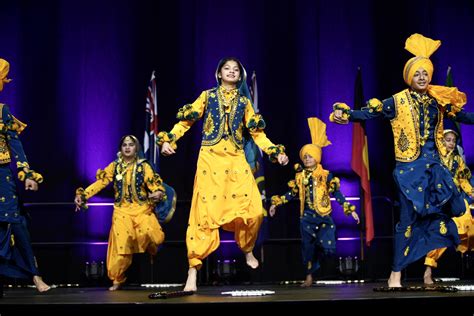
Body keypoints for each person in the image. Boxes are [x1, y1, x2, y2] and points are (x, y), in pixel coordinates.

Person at [330, 33, 474, 287]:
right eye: (417, 73)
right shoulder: (397, 101)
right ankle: (395, 273)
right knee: (407, 221)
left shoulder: (438, 100)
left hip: (435, 169)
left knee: (458, 209)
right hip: (409, 171)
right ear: (409, 76)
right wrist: (348, 114)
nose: (422, 77)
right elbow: (369, 112)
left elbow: (462, 117)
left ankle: (426, 253)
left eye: (425, 73)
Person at [159, 57, 289, 292]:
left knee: (253, 209)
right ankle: (192, 272)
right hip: (210, 160)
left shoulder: (244, 102)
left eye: (235, 70)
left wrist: (274, 151)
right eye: (226, 69)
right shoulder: (207, 96)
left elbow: (258, 134)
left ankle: (247, 248)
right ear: (219, 74)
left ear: (240, 77)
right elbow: (186, 122)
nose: (231, 72)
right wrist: (169, 139)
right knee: (203, 215)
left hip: (236, 160)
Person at [268, 117, 359, 287]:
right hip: (307, 217)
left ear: (317, 157)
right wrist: (276, 203)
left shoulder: (325, 175)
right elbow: (291, 193)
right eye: (305, 157)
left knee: (329, 248)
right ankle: (309, 276)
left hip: (324, 215)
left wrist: (349, 209)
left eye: (310, 156)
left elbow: (337, 193)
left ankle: (319, 256)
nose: (308, 159)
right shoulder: (299, 176)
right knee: (307, 247)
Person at [74, 135, 168, 291]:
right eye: (124, 144)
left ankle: (151, 247)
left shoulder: (143, 167)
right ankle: (117, 279)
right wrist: (84, 195)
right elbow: (101, 183)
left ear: (136, 148)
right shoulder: (115, 166)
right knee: (122, 246)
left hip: (142, 209)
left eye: (131, 145)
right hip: (121, 211)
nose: (127, 147)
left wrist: (157, 193)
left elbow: (155, 187)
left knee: (154, 234)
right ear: (120, 148)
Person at [0, 58, 50, 293]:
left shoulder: (2, 112)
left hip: (2, 177)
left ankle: (35, 276)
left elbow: (15, 145)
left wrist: (26, 173)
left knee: (16, 224)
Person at [423, 129, 474, 284]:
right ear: (441, 141)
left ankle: (466, 256)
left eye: (453, 140)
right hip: (440, 201)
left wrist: (472, 193)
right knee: (441, 235)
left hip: (457, 200)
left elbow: (463, 180)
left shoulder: (458, 160)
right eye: (448, 140)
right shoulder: (434, 159)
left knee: (470, 229)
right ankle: (428, 270)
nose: (451, 143)